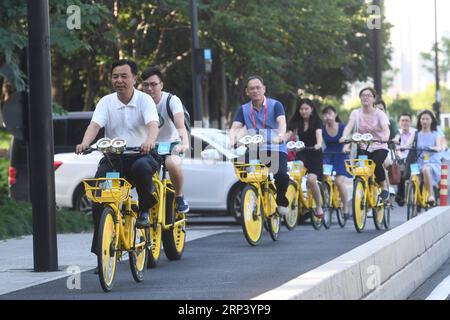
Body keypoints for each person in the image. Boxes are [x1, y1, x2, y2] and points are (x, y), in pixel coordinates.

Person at [75, 59, 160, 257]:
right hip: (114, 159)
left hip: (142, 154)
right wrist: (85, 143)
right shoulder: (106, 101)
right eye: (115, 76)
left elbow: (153, 124)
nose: (119, 80)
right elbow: (94, 126)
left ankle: (145, 209)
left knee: (141, 168)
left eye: (124, 76)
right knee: (99, 196)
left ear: (134, 78)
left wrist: (149, 141)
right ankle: (101, 253)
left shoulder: (144, 100)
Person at [229, 75, 290, 215]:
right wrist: (232, 140)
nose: (255, 91)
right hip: (255, 148)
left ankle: (281, 199)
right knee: (242, 172)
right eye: (252, 88)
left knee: (281, 175)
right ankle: (251, 199)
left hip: (275, 148)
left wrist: (280, 136)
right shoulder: (243, 109)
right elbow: (235, 128)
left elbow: (282, 122)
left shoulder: (276, 105)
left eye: (258, 87)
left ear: (264, 89)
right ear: (247, 92)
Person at [140, 66, 190, 213]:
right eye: (146, 85)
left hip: (173, 144)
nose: (149, 88)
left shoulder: (171, 100)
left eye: (154, 84)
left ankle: (179, 196)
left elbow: (180, 124)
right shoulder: (139, 101)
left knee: (172, 163)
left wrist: (185, 143)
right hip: (149, 146)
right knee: (141, 169)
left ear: (161, 85)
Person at [341, 87, 391, 201]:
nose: (365, 97)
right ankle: (361, 190)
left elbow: (386, 129)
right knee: (360, 169)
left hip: (379, 146)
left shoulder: (380, 114)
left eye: (368, 95)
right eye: (363, 95)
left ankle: (384, 186)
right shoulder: (355, 113)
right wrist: (344, 137)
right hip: (363, 147)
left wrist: (385, 137)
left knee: (375, 163)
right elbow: (349, 126)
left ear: (374, 98)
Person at [287, 98, 324, 218]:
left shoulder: (317, 121)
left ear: (311, 109)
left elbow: (319, 134)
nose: (303, 111)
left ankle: (318, 206)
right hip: (302, 153)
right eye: (301, 109)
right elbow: (288, 133)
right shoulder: (296, 121)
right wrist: (280, 142)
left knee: (312, 180)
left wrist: (318, 144)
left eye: (306, 109)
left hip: (314, 153)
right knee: (294, 175)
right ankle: (297, 199)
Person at [401, 110, 446, 205]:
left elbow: (439, 146)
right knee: (414, 176)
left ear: (431, 121)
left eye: (427, 119)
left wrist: (434, 148)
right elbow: (408, 144)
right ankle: (414, 198)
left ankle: (430, 194)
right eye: (422, 119)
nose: (424, 121)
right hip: (417, 162)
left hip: (432, 162)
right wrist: (402, 147)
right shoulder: (416, 133)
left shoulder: (435, 134)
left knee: (426, 169)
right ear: (419, 120)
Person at [321, 105, 351, 218]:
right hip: (328, 156)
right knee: (323, 178)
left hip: (341, 155)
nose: (327, 117)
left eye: (329, 113)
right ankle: (326, 200)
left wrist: (345, 147)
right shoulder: (322, 128)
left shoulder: (342, 127)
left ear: (335, 114)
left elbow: (347, 140)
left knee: (339, 182)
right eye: (325, 114)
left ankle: (345, 207)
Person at [395, 112, 416, 206]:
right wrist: (399, 155)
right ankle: (401, 195)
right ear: (399, 122)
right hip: (401, 159)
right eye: (402, 120)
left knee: (416, 174)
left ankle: (417, 197)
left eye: (407, 120)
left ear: (410, 122)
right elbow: (396, 148)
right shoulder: (397, 134)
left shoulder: (415, 133)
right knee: (401, 170)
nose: (404, 123)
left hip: (414, 160)